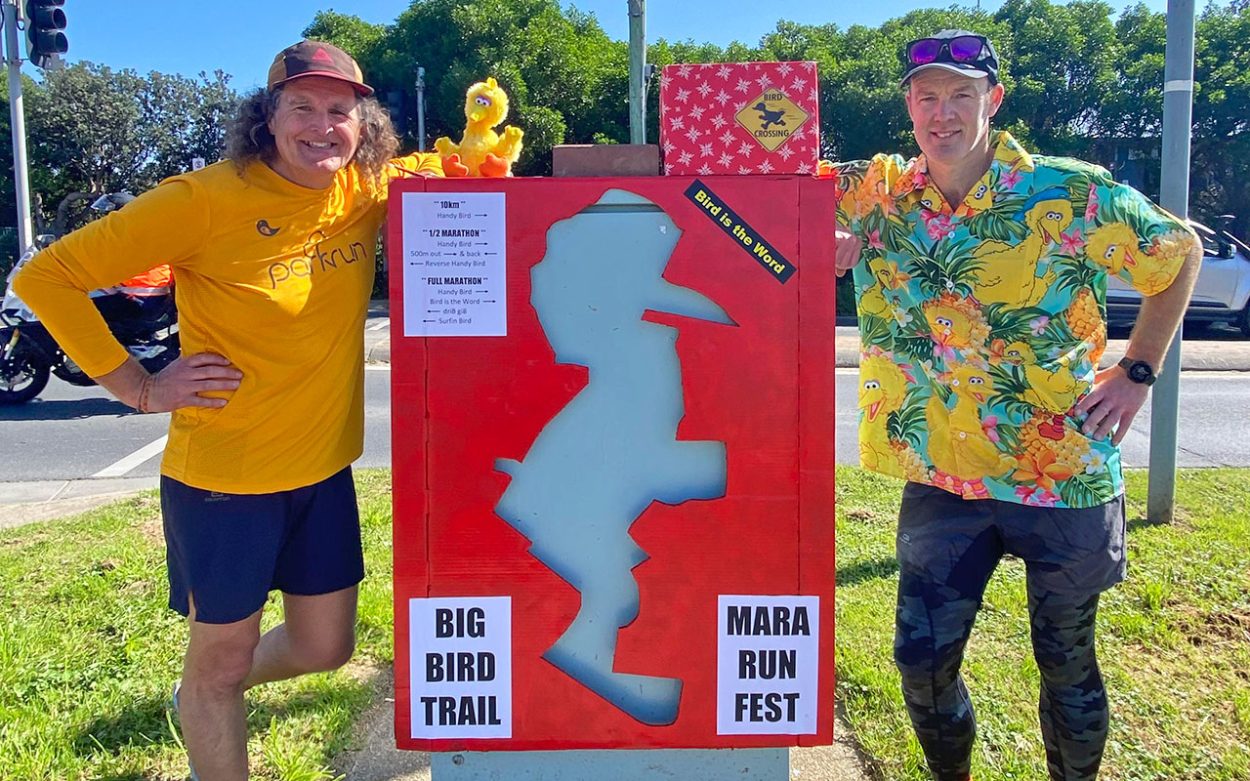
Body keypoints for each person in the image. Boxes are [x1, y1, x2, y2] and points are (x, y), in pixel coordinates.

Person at [14, 40, 442, 780]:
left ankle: (201, 695)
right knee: (223, 661)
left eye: (339, 109)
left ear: (362, 122)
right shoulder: (202, 199)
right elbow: (48, 277)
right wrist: (139, 386)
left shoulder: (365, 190)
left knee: (325, 648)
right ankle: (209, 695)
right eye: (300, 106)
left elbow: (465, 172)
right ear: (267, 117)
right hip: (225, 480)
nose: (321, 123)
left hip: (322, 471)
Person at [828, 29, 1201, 781]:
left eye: (961, 95)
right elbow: (756, 192)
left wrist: (1137, 370)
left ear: (992, 101)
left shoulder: (1070, 191)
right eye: (927, 97)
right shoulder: (876, 195)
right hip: (943, 478)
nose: (944, 113)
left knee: (1066, 663)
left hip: (1060, 473)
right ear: (909, 107)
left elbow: (1178, 252)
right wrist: (817, 233)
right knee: (920, 661)